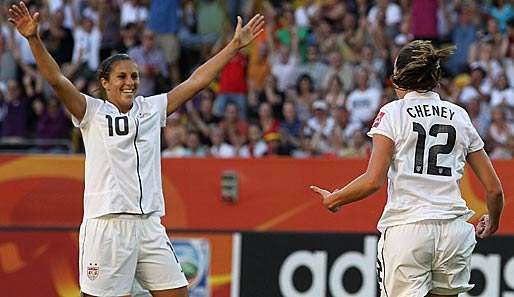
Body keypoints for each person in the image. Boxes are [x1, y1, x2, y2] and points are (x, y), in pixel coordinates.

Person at [7, 2, 264, 297]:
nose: (130, 82)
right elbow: (56, 79)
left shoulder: (152, 108)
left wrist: (233, 47)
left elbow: (198, 81)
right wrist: (33, 39)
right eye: (122, 77)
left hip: (149, 225)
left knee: (178, 293)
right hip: (108, 224)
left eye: (134, 76)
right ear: (104, 83)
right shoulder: (92, 112)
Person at [310, 40, 504, 297]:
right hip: (453, 233)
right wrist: (493, 220)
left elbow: (373, 180)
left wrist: (335, 198)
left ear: (397, 78)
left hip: (408, 231)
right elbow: (494, 190)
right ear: (435, 78)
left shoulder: (393, 113)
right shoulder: (459, 115)